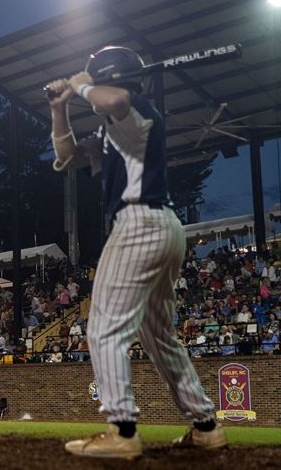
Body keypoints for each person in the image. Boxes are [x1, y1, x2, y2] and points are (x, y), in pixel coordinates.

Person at [47, 46, 225, 459]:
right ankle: (206, 427)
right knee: (160, 336)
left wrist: (79, 83)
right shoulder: (113, 132)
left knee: (103, 328)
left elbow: (116, 99)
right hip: (161, 227)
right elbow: (67, 156)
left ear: (108, 79)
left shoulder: (134, 110)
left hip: (139, 225)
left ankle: (122, 432)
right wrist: (60, 109)